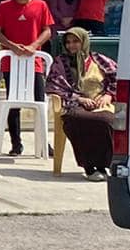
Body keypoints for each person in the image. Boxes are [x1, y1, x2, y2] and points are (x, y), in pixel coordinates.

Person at [0, 0, 54, 157]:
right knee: (13, 103)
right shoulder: (4, 6)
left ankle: (43, 142)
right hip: (11, 62)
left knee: (40, 102)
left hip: (34, 62)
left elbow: (47, 31)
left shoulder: (41, 6)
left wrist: (34, 45)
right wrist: (12, 46)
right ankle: (16, 144)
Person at [47, 26, 118, 179]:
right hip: (74, 104)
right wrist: (79, 98)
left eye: (75, 41)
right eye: (68, 42)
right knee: (78, 120)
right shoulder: (60, 62)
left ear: (84, 42)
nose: (71, 45)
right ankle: (89, 167)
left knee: (106, 121)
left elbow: (117, 77)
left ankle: (103, 166)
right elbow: (55, 85)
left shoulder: (99, 59)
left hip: (101, 104)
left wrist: (108, 96)